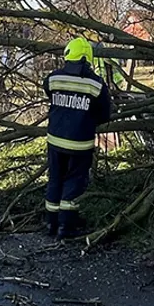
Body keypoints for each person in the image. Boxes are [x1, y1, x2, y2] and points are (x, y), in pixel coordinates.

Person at [42, 37, 112, 238]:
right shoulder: (95, 84)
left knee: (55, 179)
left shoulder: (54, 78)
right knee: (74, 181)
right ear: (86, 57)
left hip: (55, 140)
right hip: (80, 142)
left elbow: (48, 91)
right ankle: (67, 225)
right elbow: (105, 113)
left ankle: (51, 223)